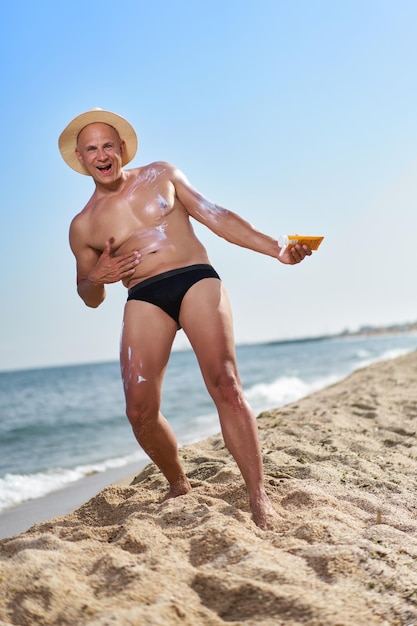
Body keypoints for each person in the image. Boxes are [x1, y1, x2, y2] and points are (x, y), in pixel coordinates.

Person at [58, 108, 313, 530]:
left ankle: (258, 496)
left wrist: (277, 249)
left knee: (226, 384)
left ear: (121, 149)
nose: (102, 155)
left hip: (194, 279)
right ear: (82, 159)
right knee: (139, 411)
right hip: (143, 296)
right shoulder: (82, 225)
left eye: (108, 145)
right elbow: (89, 296)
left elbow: (217, 215)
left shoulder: (161, 174)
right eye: (92, 149)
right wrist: (95, 278)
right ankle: (178, 482)